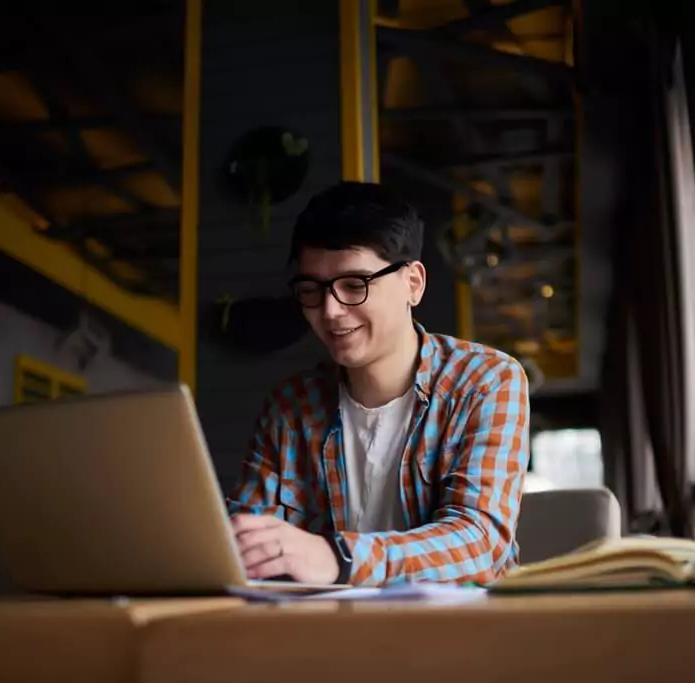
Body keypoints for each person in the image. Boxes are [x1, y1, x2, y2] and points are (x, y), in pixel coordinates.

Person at [227, 181, 530, 586]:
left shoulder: (486, 381)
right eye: (311, 290)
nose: (331, 311)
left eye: (355, 285)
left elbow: (479, 543)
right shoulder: (291, 406)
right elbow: (248, 541)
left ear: (413, 283)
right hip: (329, 634)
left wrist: (338, 558)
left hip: (463, 634)